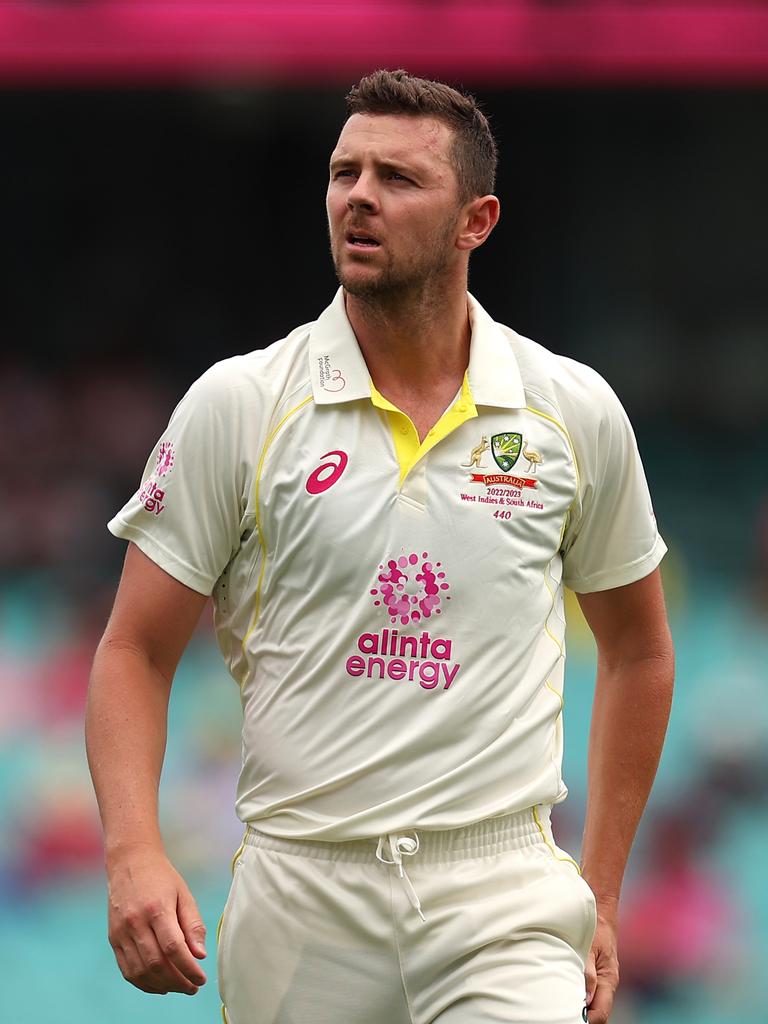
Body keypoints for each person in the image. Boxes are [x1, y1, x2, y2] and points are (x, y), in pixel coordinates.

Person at [85, 69, 674, 1024]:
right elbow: (133, 651)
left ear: (475, 220)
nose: (358, 196)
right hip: (301, 890)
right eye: (343, 172)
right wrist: (133, 851)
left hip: (501, 892)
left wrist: (599, 892)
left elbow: (641, 649)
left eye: (398, 179)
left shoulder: (572, 409)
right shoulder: (240, 403)